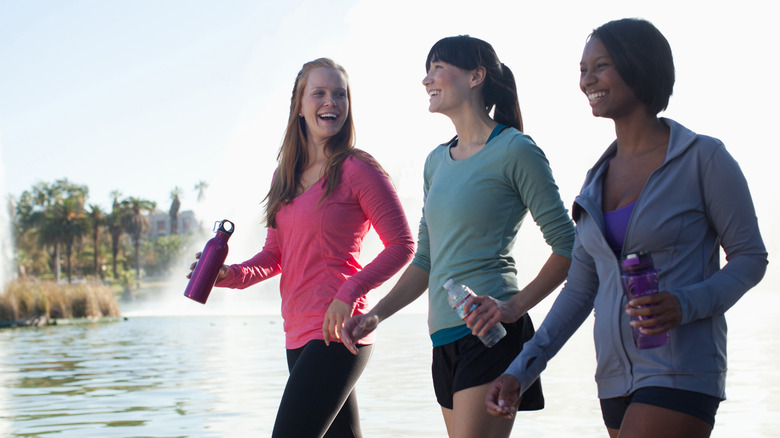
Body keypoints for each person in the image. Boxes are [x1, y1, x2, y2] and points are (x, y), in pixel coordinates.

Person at [485, 18, 768, 438]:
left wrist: (684, 303)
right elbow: (580, 291)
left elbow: (750, 259)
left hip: (681, 371)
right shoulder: (595, 182)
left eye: (601, 66)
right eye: (583, 70)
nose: (587, 80)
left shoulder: (703, 158)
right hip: (614, 380)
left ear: (640, 66)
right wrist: (522, 369)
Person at [342, 35, 575, 437]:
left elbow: (569, 246)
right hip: (443, 339)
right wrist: (376, 314)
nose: (426, 79)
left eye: (437, 68)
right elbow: (426, 261)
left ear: (475, 76)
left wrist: (513, 307)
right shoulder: (436, 161)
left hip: (490, 335)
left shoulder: (516, 150)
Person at [187, 58, 414, 438]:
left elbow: (403, 245)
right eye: (320, 93)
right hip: (296, 332)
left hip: (337, 331)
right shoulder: (285, 176)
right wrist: (227, 274)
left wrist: (349, 292)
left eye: (340, 94)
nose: (332, 102)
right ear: (299, 105)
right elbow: (274, 257)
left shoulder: (358, 168)